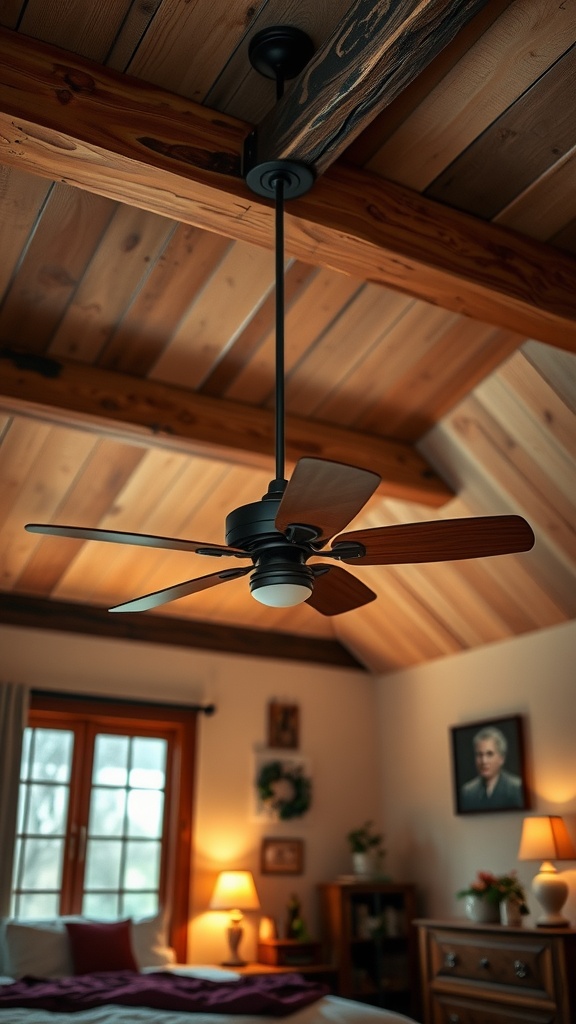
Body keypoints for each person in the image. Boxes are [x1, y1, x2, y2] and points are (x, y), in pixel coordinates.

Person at [460, 726, 523, 811]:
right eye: (479, 755)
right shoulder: (468, 792)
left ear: (501, 758)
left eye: (489, 754)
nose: (484, 761)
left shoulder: (516, 788)